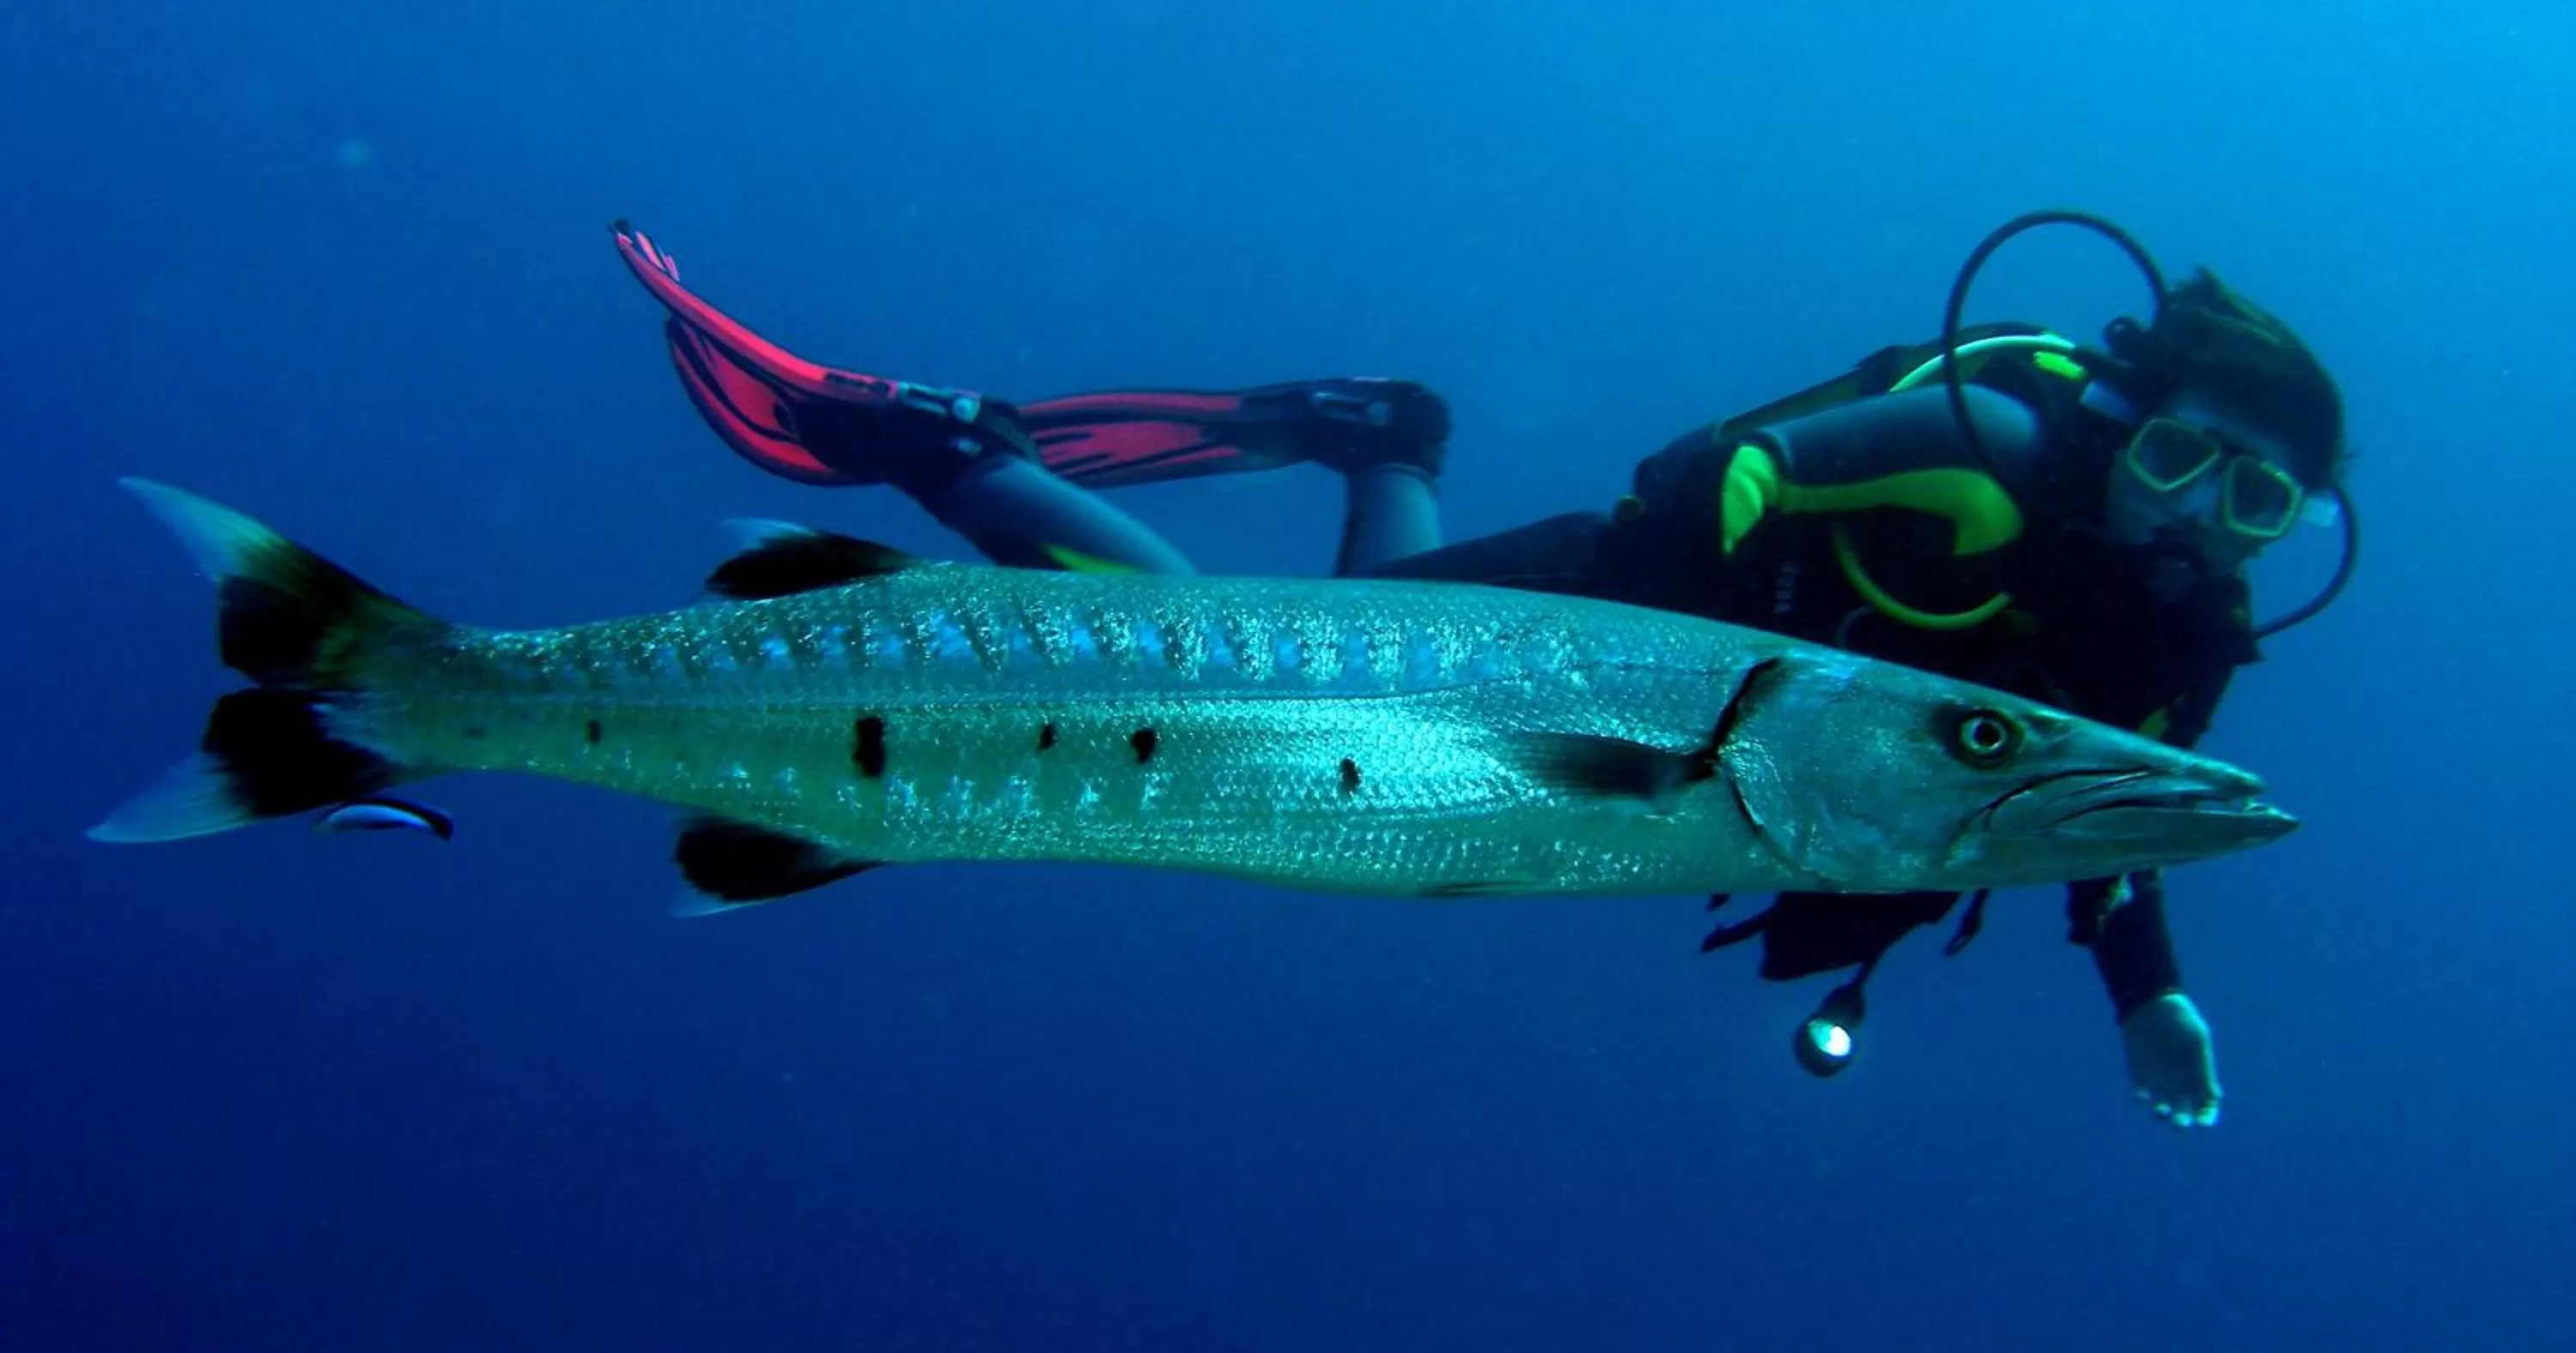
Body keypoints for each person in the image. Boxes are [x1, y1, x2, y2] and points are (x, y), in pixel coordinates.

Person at [609, 212, 2355, 1129]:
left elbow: (2114, 806)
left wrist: (2150, 991)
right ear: (2136, 417)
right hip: (1604, 633)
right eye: (2195, 457)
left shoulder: (2178, 631)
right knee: (1217, 650)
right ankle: (947, 445)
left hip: (1717, 763)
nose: (2208, 512)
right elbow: (1715, 476)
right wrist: (1691, 653)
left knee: (1280, 647)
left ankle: (1390, 439)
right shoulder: (1978, 451)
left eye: (2262, 496)